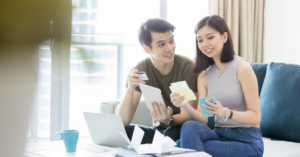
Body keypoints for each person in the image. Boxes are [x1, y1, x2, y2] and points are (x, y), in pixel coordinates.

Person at [170, 15, 264, 157]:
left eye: (210, 37)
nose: (204, 44)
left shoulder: (242, 68)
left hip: (247, 140)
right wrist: (184, 105)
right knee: (189, 127)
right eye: (200, 40)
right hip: (219, 136)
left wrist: (225, 112)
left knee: (181, 146)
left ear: (224, 37)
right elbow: (203, 118)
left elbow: (256, 117)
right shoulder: (204, 76)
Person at [116, 18, 199, 144]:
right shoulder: (140, 71)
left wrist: (169, 120)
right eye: (161, 44)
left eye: (171, 41)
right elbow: (122, 121)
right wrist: (130, 89)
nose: (170, 48)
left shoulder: (188, 68)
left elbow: (189, 115)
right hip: (158, 131)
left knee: (170, 134)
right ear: (147, 49)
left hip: (183, 129)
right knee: (121, 133)